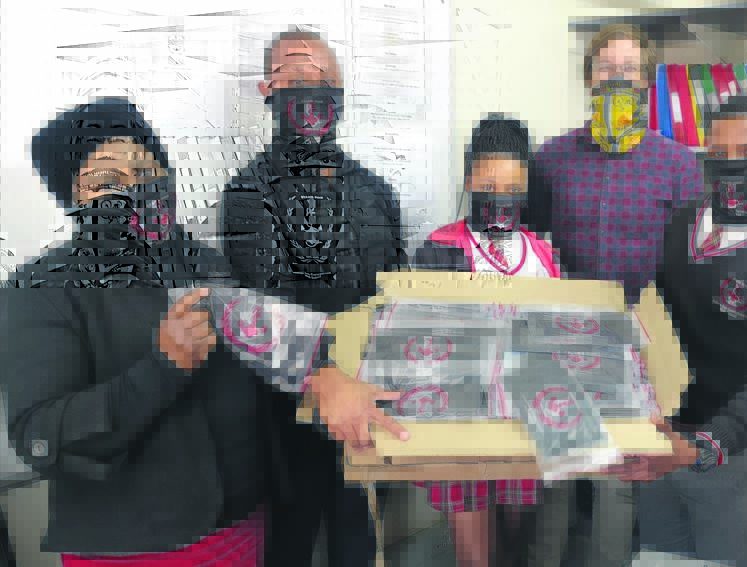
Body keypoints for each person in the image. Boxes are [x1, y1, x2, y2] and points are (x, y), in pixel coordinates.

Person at [2, 97, 408, 566]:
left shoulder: (206, 264)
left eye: (145, 170)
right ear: (73, 198)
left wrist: (324, 375)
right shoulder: (42, 288)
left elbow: (269, 350)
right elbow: (40, 436)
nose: (134, 188)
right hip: (138, 548)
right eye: (108, 179)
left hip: (245, 524)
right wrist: (162, 368)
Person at [608, 95, 747, 567]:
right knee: (660, 560)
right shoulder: (684, 222)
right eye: (718, 153)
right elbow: (658, 319)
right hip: (664, 435)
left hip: (736, 449)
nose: (732, 166)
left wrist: (697, 449)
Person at [219, 29, 407, 567]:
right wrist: (323, 376)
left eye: (322, 78)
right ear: (267, 91)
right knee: (290, 537)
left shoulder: (376, 190)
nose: (309, 89)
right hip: (288, 408)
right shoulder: (248, 193)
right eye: (293, 76)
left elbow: (396, 292)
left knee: (359, 536)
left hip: (367, 398)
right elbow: (263, 309)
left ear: (341, 94)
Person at [529, 24, 703, 567]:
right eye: (606, 67)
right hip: (561, 336)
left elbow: (692, 260)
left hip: (639, 341)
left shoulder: (677, 163)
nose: (617, 77)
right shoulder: (552, 158)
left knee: (619, 476)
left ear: (646, 82)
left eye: (629, 68)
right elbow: (531, 245)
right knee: (557, 467)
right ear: (588, 78)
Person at [411, 115, 568, 567]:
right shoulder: (439, 249)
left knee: (515, 542)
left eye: (514, 186)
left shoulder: (540, 253)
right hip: (459, 421)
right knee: (475, 555)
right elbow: (420, 342)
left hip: (524, 420)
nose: (501, 196)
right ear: (469, 180)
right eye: (488, 184)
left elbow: (559, 332)